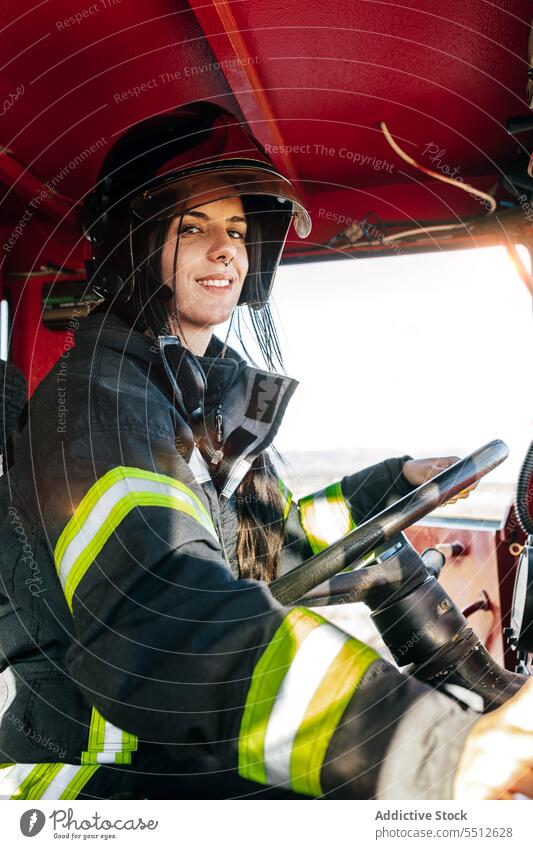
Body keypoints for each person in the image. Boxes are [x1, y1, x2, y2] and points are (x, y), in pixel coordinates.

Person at [0, 101, 532, 801]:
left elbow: (260, 544)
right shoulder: (98, 411)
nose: (224, 248)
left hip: (166, 745)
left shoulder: (193, 405)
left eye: (237, 229)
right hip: (91, 772)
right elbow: (164, 624)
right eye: (191, 227)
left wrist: (383, 487)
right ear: (134, 241)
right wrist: (432, 749)